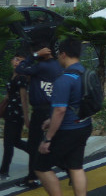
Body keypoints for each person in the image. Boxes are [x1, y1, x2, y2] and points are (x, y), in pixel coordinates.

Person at [33, 39, 92, 196]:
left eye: (59, 54)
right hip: (84, 125)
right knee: (75, 166)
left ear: (63, 54)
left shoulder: (64, 79)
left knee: (41, 167)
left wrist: (48, 139)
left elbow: (60, 110)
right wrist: (50, 120)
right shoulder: (84, 72)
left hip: (67, 129)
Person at [15, 40, 63, 189]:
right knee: (48, 144)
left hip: (41, 110)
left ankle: (32, 178)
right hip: (51, 108)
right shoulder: (56, 65)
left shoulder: (41, 66)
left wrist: (34, 56)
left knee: (34, 144)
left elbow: (20, 69)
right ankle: (71, 169)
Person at [0, 51, 30, 179]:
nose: (17, 62)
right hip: (10, 113)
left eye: (20, 61)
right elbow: (8, 95)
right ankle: (38, 153)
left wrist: (26, 118)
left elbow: (24, 99)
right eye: (16, 59)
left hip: (16, 115)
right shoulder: (13, 76)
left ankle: (4, 171)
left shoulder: (21, 78)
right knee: (16, 141)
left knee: (8, 143)